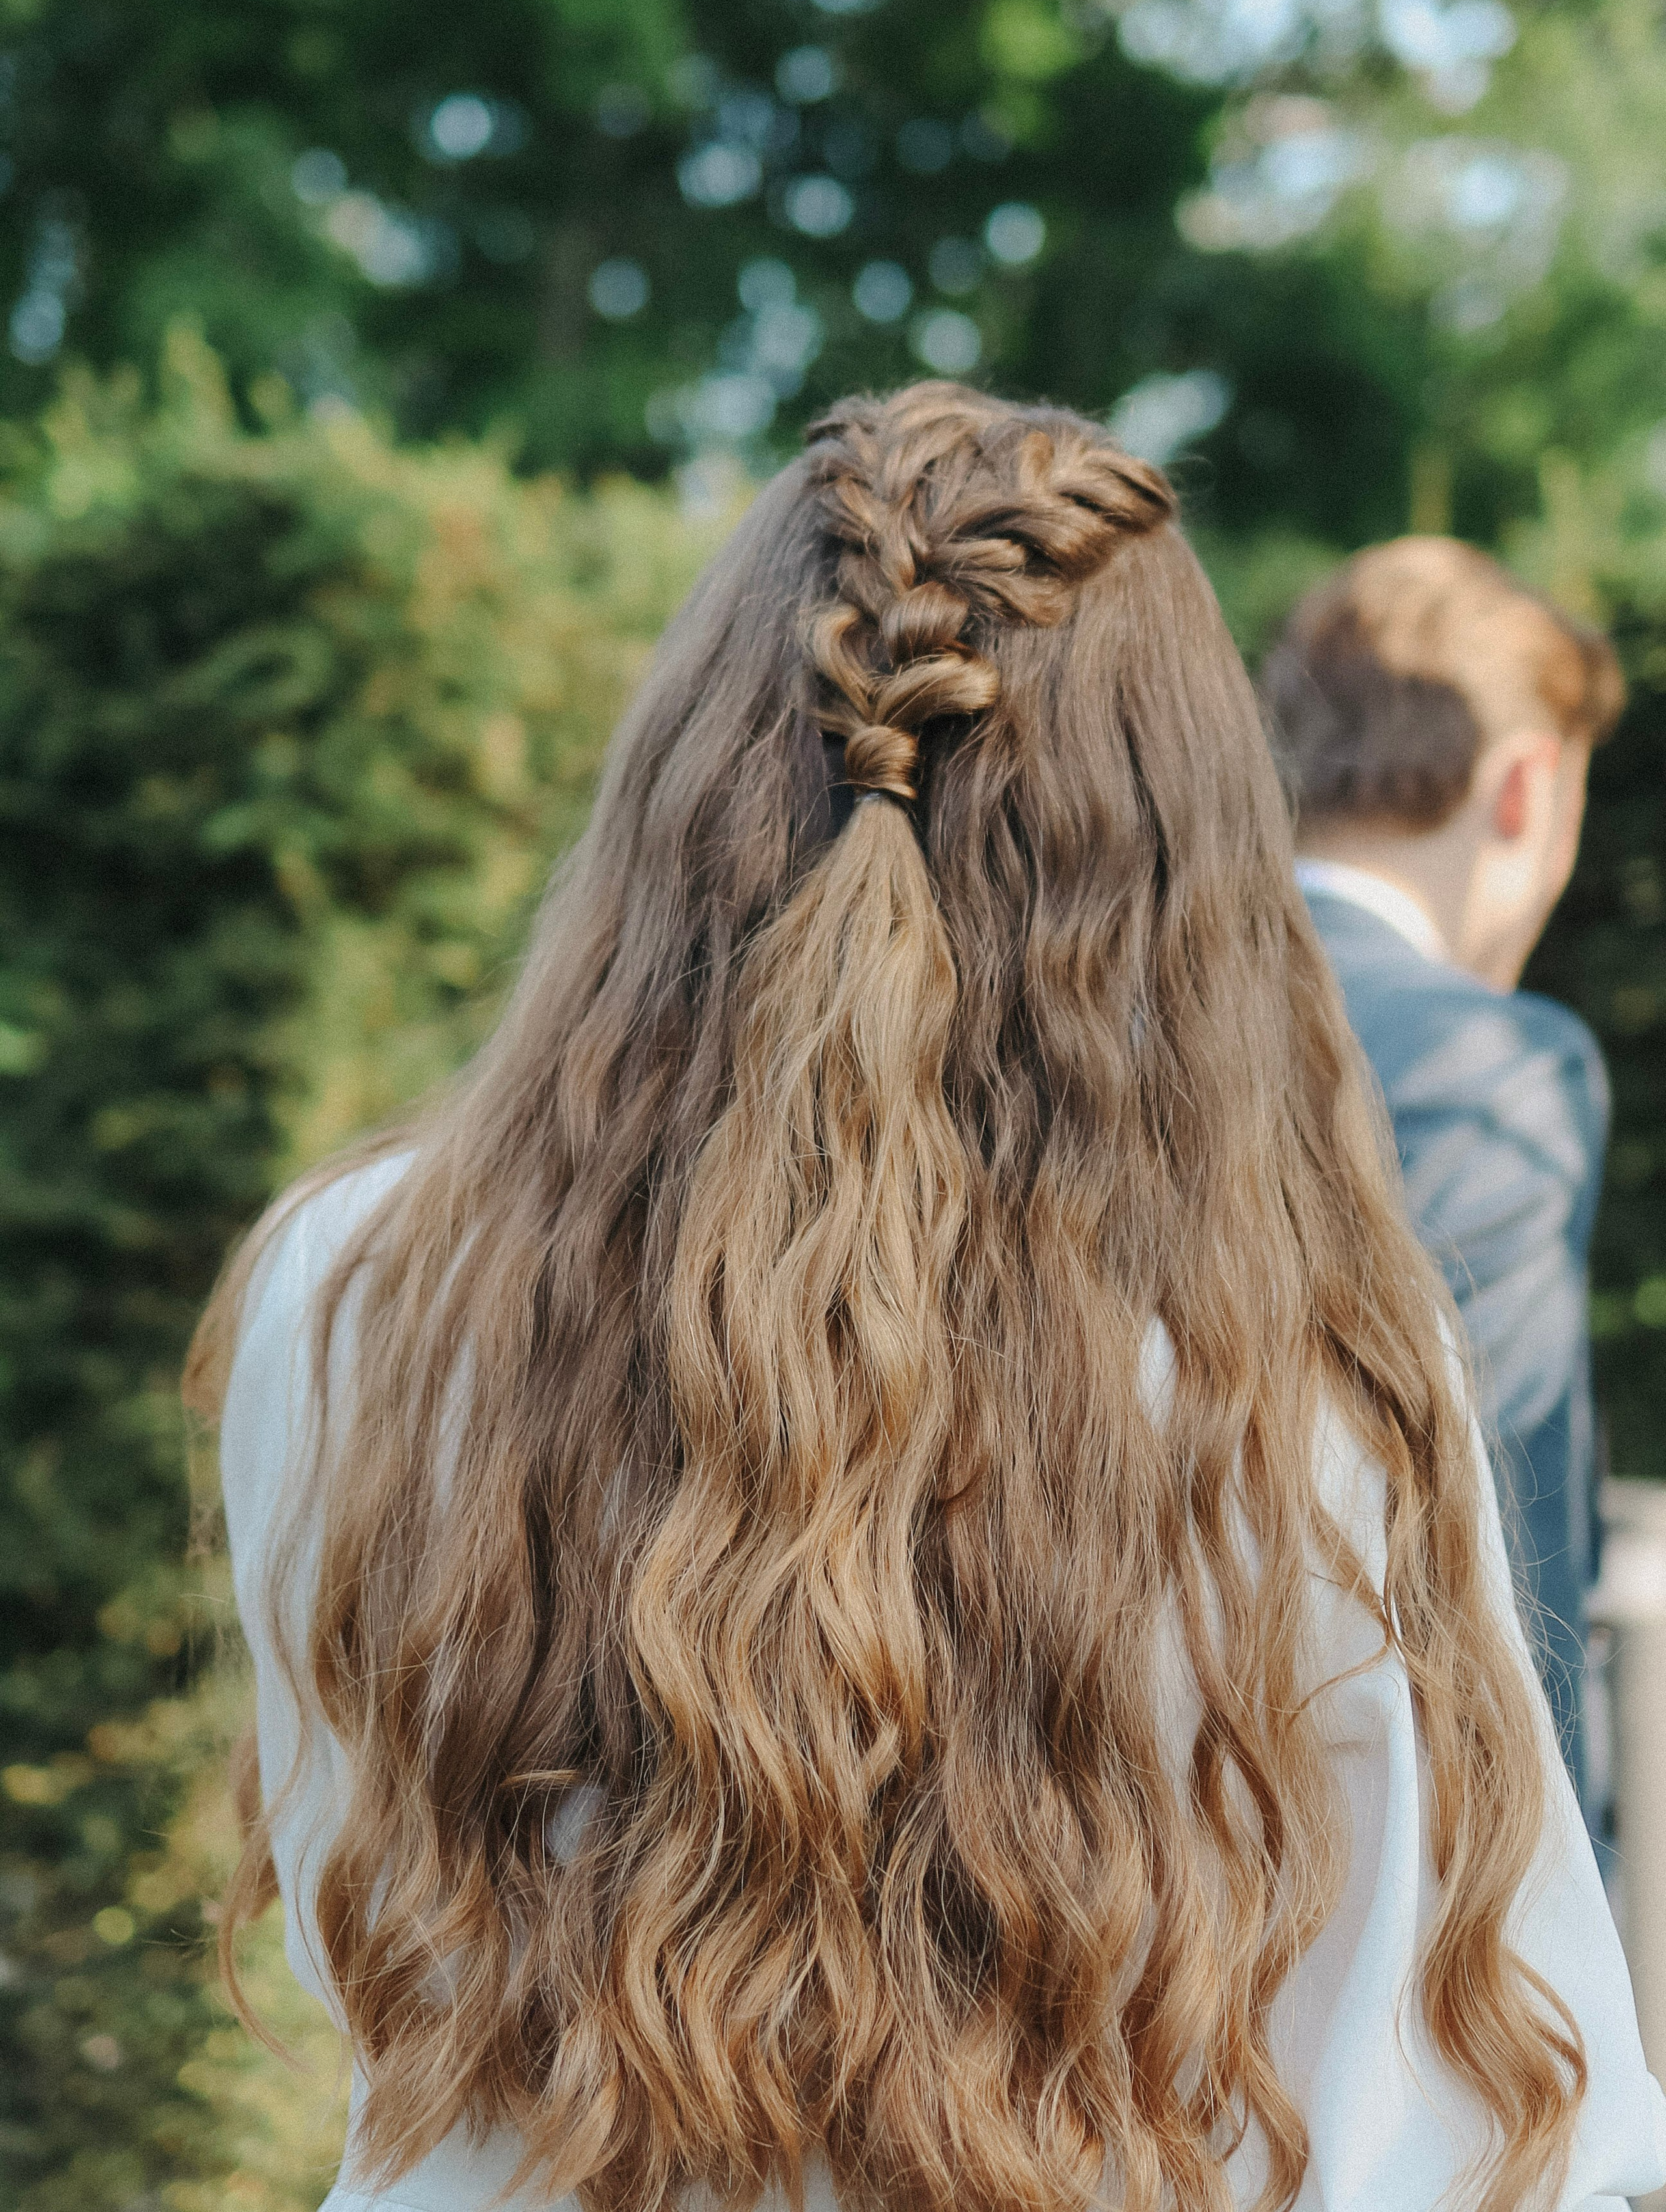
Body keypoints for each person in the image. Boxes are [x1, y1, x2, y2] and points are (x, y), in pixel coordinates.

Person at [189, 390, 1664, 2212]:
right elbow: (1457, 2121)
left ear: (692, 770)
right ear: (1185, 838)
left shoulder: (352, 1294)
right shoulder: (1296, 1375)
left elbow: (364, 1940)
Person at [1261, 538, 1626, 1825]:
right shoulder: (1491, 1066)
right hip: (1399, 1858)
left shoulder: (1113, 1010)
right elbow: (1494, 1558)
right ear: (1526, 787)